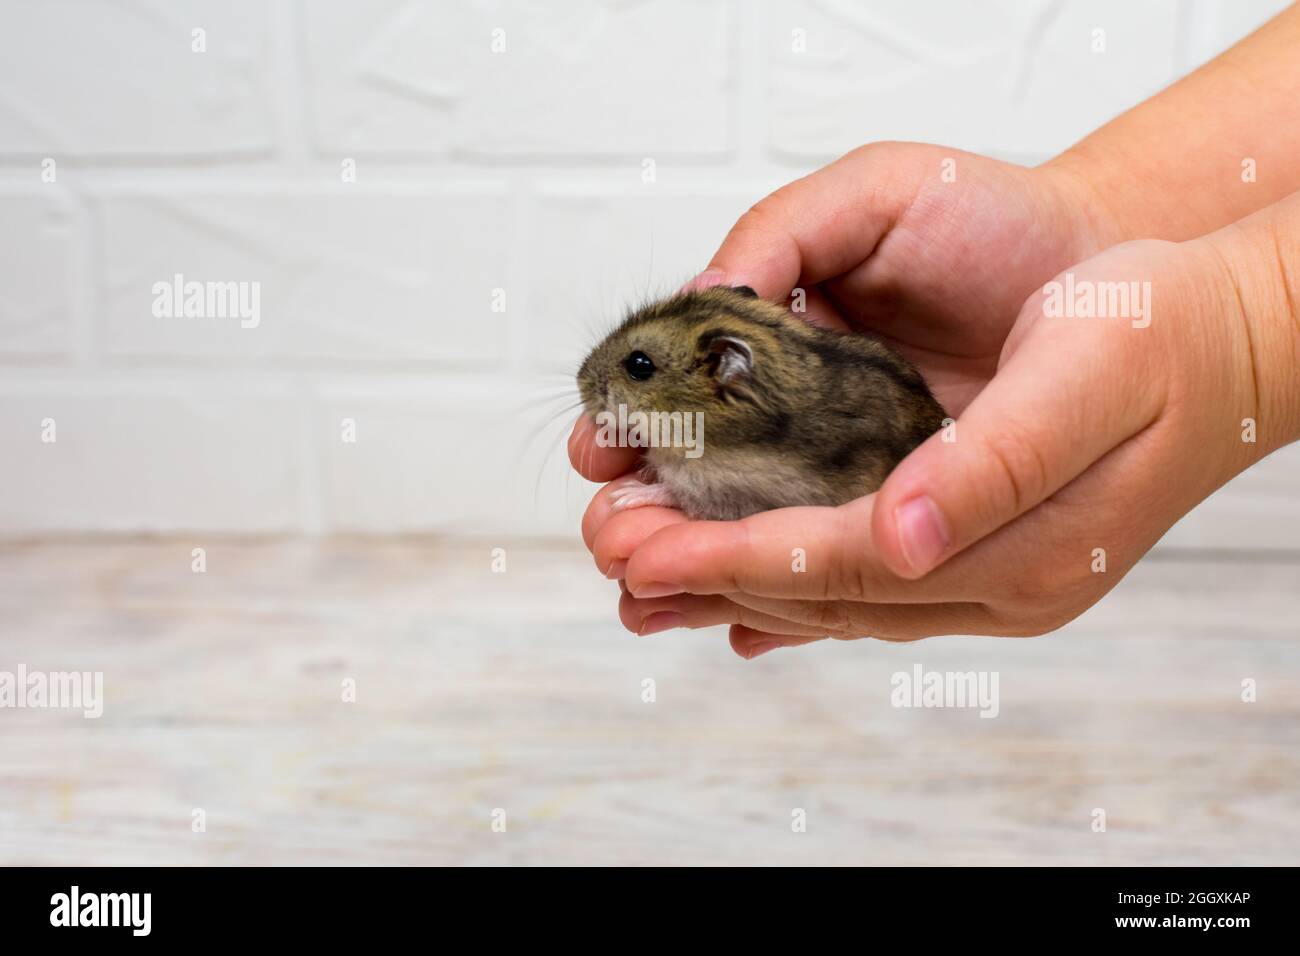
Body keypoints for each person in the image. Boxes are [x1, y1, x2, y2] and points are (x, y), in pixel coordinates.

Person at [567, 6, 1300, 658]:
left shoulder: (748, 437)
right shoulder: (720, 422)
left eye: (637, 368)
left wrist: (1242, 330)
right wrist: (1089, 216)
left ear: (724, 370)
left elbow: (740, 495)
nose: (602, 384)